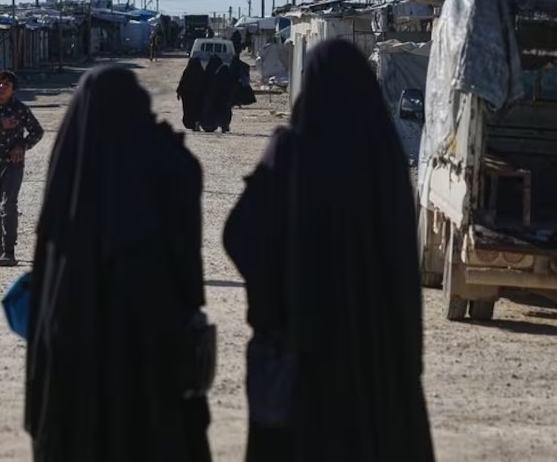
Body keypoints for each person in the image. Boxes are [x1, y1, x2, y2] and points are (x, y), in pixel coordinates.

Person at [223, 39, 435, 461]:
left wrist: (276, 297)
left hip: (304, 352)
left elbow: (239, 234)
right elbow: (402, 262)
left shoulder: (291, 154)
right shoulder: (386, 160)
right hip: (375, 357)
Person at [25, 65, 214, 462]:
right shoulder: (168, 167)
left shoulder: (71, 173)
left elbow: (46, 277)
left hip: (75, 353)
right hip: (154, 356)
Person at [0, 70, 45, 267]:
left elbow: (37, 131)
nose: (1, 87)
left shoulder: (20, 109)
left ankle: (9, 251)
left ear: (13, 89)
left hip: (13, 164)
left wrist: (22, 146)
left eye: (6, 84)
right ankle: (0, 242)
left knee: (8, 206)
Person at [199, 54, 237, 134]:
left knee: (212, 110)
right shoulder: (224, 70)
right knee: (224, 111)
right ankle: (224, 126)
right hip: (223, 97)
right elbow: (230, 84)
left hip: (213, 96)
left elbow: (203, 84)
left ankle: (211, 125)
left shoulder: (210, 70)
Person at [176, 53, 209, 131]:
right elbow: (205, 84)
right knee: (197, 110)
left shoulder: (187, 72)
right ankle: (196, 124)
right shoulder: (200, 72)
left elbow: (182, 82)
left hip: (188, 96)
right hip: (198, 96)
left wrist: (179, 92)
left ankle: (192, 124)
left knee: (189, 111)